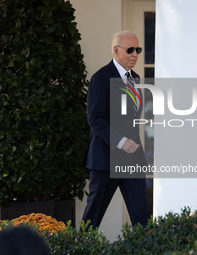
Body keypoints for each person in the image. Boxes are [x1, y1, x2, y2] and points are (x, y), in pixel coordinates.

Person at [82, 31, 150, 229]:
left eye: (137, 50)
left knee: (142, 217)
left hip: (132, 160)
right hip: (105, 160)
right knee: (92, 218)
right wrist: (121, 141)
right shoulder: (100, 78)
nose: (135, 54)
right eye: (130, 50)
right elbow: (94, 118)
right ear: (116, 50)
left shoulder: (135, 78)